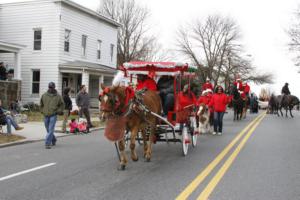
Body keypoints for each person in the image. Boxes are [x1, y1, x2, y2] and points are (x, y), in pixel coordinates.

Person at [40, 82, 64, 149]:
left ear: (54, 87)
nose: (50, 89)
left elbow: (62, 105)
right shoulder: (44, 95)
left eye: (52, 87)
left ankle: (47, 143)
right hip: (46, 115)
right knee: (48, 129)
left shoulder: (58, 96)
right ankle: (53, 139)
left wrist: (59, 111)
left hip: (53, 114)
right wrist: (42, 111)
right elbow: (41, 104)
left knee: (51, 129)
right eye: (49, 87)